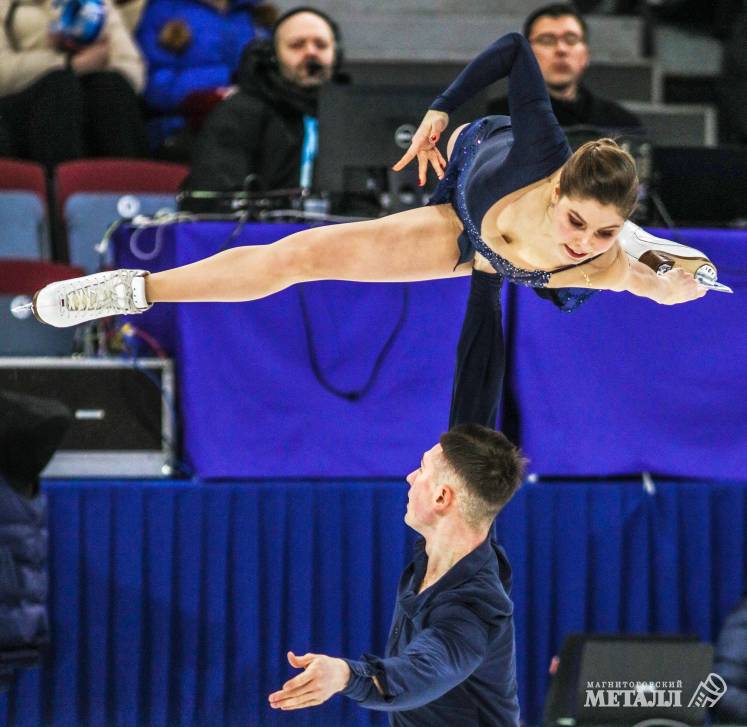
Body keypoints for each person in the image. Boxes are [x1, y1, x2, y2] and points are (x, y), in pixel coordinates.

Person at [30, 32, 715, 338]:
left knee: (646, 269)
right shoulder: (544, 147)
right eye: (577, 223)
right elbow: (510, 46)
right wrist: (442, 107)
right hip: (480, 177)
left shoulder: (597, 258)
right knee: (298, 256)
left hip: (490, 253)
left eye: (597, 231)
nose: (581, 242)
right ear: (561, 188)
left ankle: (638, 236)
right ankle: (127, 289)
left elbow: (670, 274)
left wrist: (689, 275)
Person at [267, 424, 525, 724]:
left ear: (442, 498)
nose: (410, 477)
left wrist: (346, 676)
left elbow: (419, 673)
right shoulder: (465, 535)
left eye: (422, 469)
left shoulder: (472, 610)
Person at [183, 6, 341, 192]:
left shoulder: (348, 115)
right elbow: (213, 195)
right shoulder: (239, 112)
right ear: (273, 56)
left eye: (321, 45)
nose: (311, 53)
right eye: (297, 45)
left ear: (336, 54)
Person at [0, 0, 148, 172]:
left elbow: (133, 71)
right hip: (23, 104)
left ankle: (127, 189)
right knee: (59, 87)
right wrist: (68, 63)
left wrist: (86, 48)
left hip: (88, 99)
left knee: (110, 86)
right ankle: (58, 189)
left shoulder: (95, 5)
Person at [134, 0, 274, 158]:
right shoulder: (163, 11)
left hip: (253, 124)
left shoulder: (253, 13)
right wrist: (226, 83)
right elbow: (155, 90)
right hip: (182, 128)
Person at [487, 3, 643, 133]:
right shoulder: (495, 121)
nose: (561, 49)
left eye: (571, 39)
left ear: (585, 55)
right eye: (547, 40)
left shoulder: (621, 125)